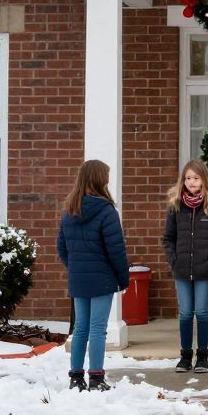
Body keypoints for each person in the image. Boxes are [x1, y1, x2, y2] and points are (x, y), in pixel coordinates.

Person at [57, 159, 130, 392]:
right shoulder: (107, 211)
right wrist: (123, 279)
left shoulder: (69, 211)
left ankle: (76, 378)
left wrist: (76, 268)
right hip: (102, 279)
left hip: (79, 279)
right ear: (101, 180)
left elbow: (62, 248)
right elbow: (116, 251)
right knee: (98, 329)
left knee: (80, 328)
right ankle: (96, 379)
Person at [162, 159, 208, 372]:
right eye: (188, 178)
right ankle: (185, 356)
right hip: (181, 270)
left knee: (201, 312)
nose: (191, 182)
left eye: (196, 178)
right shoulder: (176, 206)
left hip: (204, 270)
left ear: (204, 180)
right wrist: (174, 260)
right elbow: (168, 238)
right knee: (185, 314)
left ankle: (202, 356)